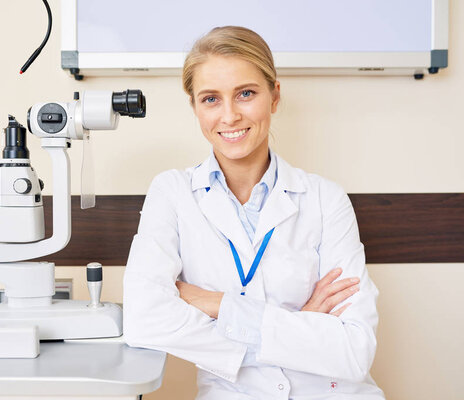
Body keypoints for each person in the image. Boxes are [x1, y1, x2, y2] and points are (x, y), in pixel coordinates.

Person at [123, 26, 385, 399]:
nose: (229, 116)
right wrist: (298, 326)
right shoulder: (173, 193)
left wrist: (217, 305)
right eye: (211, 99)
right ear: (195, 107)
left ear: (274, 96)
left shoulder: (326, 199)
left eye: (245, 94)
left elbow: (354, 351)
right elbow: (143, 319)